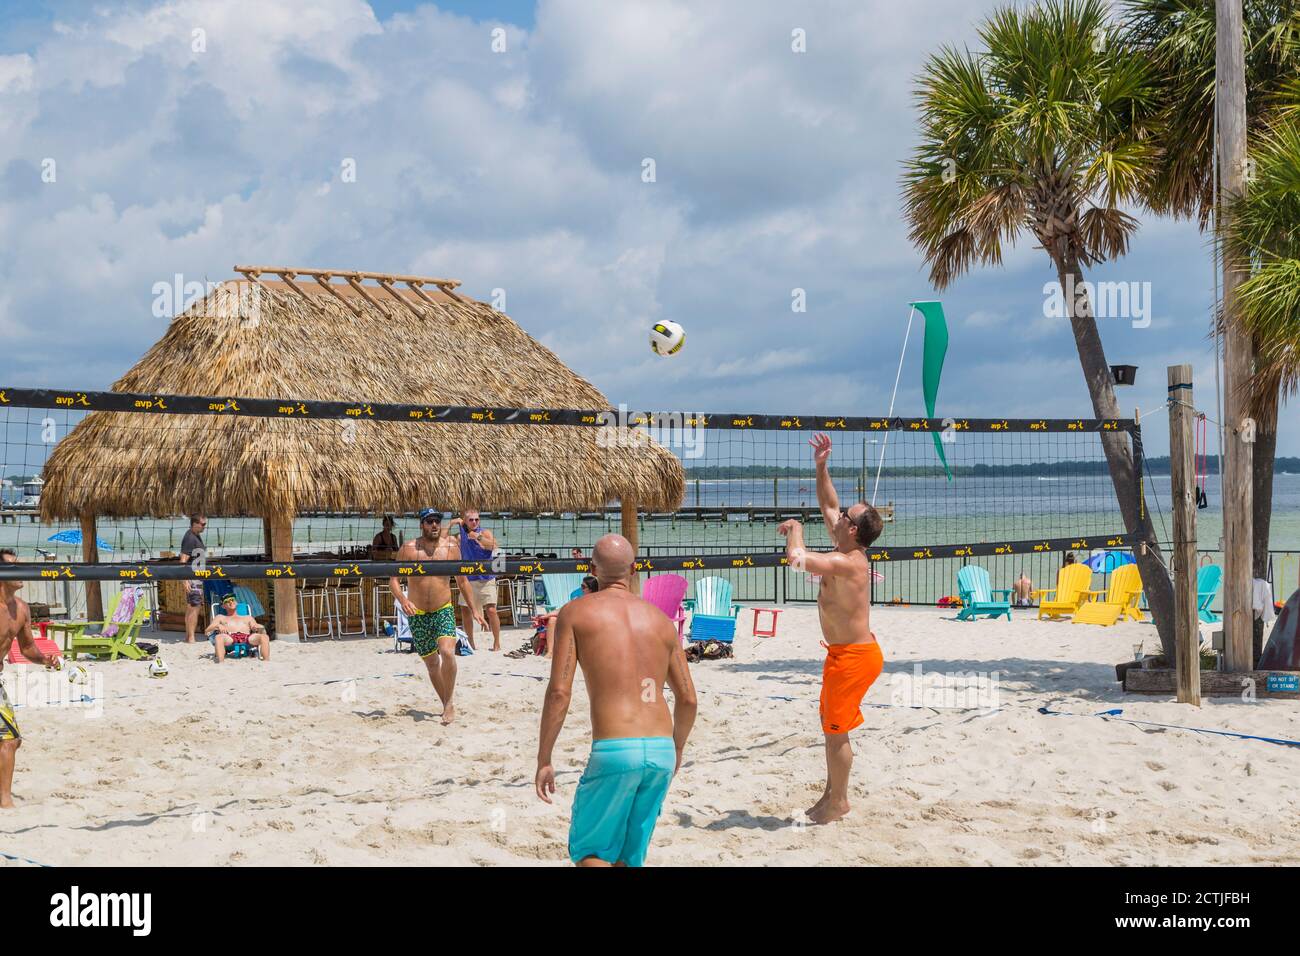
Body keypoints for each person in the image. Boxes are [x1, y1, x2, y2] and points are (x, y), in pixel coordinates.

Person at [535, 535, 697, 867]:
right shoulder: (660, 620)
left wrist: (544, 758)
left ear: (592, 569)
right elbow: (689, 700)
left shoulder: (575, 613)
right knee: (627, 855)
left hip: (615, 750)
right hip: (661, 751)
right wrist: (677, 747)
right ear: (634, 570)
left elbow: (559, 693)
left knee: (591, 853)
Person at [778, 433, 885, 825]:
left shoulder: (850, 561)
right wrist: (821, 466)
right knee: (830, 728)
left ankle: (838, 802)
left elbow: (796, 560)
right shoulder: (844, 546)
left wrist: (795, 528)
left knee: (836, 731)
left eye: (846, 517)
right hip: (843, 654)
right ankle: (829, 797)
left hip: (856, 658)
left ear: (853, 530)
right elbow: (828, 501)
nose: (839, 516)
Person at [389, 509, 485, 725]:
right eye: (430, 521)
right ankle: (446, 704)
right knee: (432, 663)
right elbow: (393, 579)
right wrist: (403, 600)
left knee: (447, 652)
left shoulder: (451, 547)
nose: (434, 525)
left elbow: (462, 582)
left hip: (443, 608)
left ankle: (449, 703)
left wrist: (475, 610)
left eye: (437, 521)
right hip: (418, 613)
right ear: (422, 524)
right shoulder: (409, 549)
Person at [0, 549, 58, 809]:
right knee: (9, 740)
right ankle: (6, 802)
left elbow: (26, 649)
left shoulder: (22, 608)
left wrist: (45, 659)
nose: (21, 569)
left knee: (12, 740)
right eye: (14, 566)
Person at [520, 575, 598, 659]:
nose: (581, 589)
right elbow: (562, 609)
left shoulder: (597, 600)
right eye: (581, 586)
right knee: (552, 619)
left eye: (583, 587)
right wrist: (544, 617)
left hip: (587, 625)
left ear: (591, 589)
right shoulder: (578, 598)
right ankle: (550, 652)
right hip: (572, 623)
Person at [457, 510, 501, 651]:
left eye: (477, 519)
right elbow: (443, 538)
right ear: (465, 521)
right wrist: (453, 522)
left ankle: (497, 642)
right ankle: (471, 642)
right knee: (465, 610)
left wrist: (478, 537)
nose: (474, 522)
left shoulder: (484, 533)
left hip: (486, 578)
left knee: (492, 610)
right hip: (468, 579)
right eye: (471, 520)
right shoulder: (460, 536)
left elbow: (495, 546)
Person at [205, 594, 271, 663]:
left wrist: (259, 627)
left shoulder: (248, 617)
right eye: (227, 601)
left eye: (232, 599)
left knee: (264, 637)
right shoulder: (220, 617)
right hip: (229, 638)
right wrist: (218, 625)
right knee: (219, 637)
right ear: (223, 606)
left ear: (236, 603)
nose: (231, 602)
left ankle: (266, 662)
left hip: (247, 638)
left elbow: (254, 626)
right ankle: (221, 663)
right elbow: (207, 630)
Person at [179, 515, 207, 644]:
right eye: (202, 524)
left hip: (196, 577)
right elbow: (183, 560)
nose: (204, 526)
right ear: (194, 523)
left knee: (191, 607)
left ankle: (188, 637)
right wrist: (184, 580)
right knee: (195, 607)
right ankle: (191, 638)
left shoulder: (195, 535)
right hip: (193, 578)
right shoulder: (190, 537)